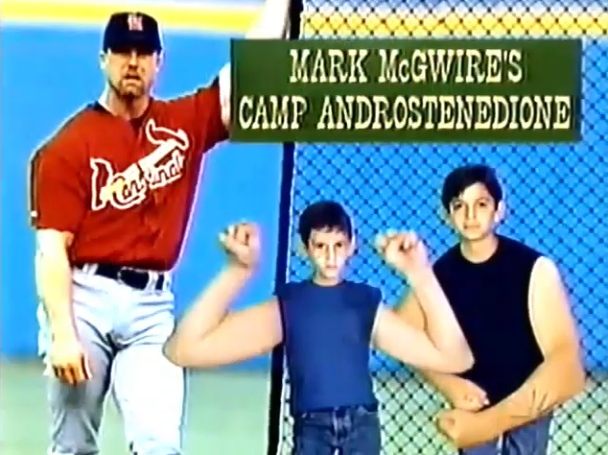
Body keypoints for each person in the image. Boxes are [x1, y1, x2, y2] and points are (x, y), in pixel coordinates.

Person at [29, 4, 291, 455]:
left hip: (151, 309)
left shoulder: (182, 124)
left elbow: (244, 77)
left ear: (159, 61)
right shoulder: (66, 148)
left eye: (143, 53)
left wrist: (280, 4)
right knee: (73, 446)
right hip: (83, 299)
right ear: (103, 59)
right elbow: (51, 251)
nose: (133, 62)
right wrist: (63, 334)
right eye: (122, 51)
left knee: (159, 442)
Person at [163, 200, 474, 455]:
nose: (330, 256)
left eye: (338, 245)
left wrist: (420, 273)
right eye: (320, 246)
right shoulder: (291, 305)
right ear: (304, 249)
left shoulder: (363, 304)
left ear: (352, 246)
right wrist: (238, 270)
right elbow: (183, 350)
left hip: (362, 426)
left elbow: (455, 358)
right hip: (312, 429)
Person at [396, 164, 585, 454]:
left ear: (499, 211)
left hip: (527, 397)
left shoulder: (533, 268)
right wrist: (449, 384)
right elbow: (400, 333)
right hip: (475, 398)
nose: (470, 215)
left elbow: (564, 358)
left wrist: (490, 422)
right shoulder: (439, 275)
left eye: (481, 204)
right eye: (460, 206)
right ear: (447, 215)